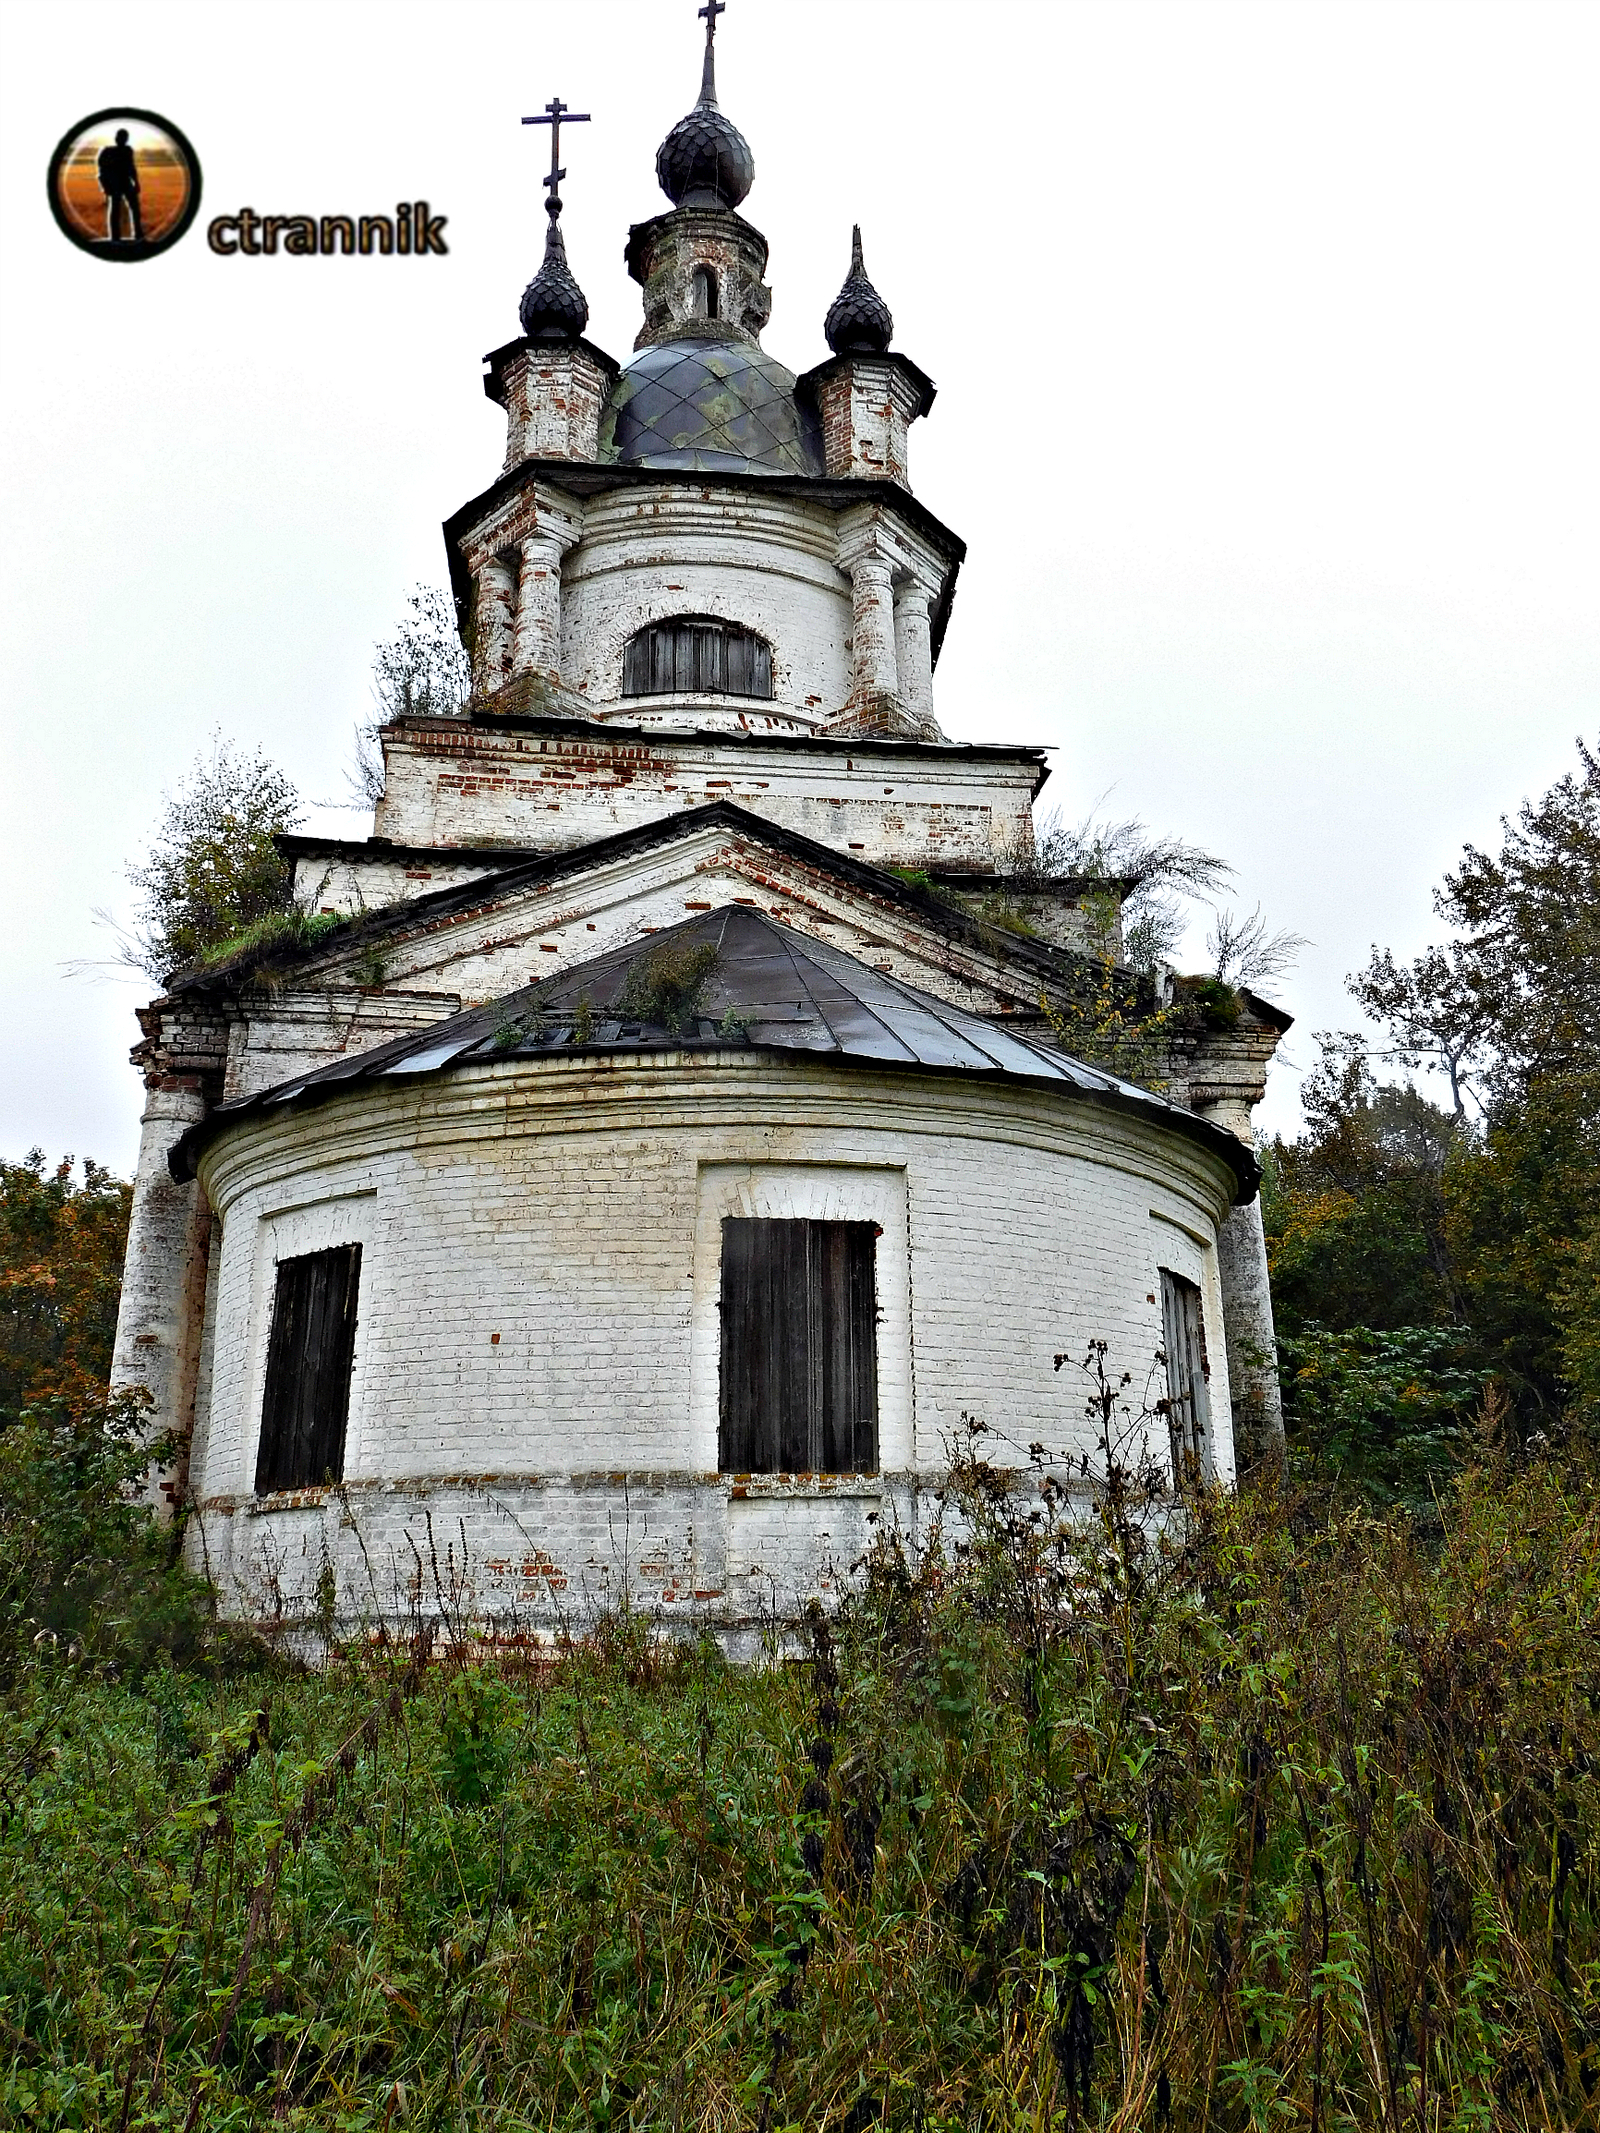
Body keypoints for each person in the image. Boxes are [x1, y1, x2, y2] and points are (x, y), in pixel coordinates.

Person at [97, 129, 143, 244]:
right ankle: (115, 237)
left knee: (135, 207)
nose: (122, 140)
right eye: (121, 137)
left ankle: (138, 234)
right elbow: (102, 170)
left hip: (125, 182)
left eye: (124, 137)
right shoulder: (107, 151)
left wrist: (136, 182)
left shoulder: (128, 150)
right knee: (115, 209)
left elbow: (131, 167)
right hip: (114, 183)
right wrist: (106, 186)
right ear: (116, 138)